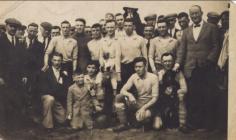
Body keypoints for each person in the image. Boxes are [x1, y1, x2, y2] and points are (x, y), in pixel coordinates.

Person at [175, 5, 220, 131]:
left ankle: (209, 125)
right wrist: (178, 64)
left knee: (208, 95)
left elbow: (216, 46)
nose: (194, 16)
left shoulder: (211, 28)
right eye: (192, 14)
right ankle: (193, 124)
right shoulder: (186, 31)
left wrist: (209, 61)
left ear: (201, 13)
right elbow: (182, 50)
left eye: (196, 13)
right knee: (193, 96)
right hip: (190, 68)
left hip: (206, 67)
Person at [113, 57, 160, 132]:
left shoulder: (153, 77)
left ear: (145, 66)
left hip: (149, 105)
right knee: (119, 97)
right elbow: (122, 90)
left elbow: (155, 98)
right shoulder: (134, 76)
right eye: (136, 67)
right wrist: (130, 95)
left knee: (156, 126)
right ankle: (124, 123)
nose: (137, 69)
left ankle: (152, 118)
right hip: (137, 103)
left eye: (140, 67)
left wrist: (143, 108)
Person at [0, 18, 27, 130]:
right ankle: (3, 127)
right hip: (4, 77)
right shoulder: (1, 40)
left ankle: (15, 126)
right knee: (4, 101)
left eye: (15, 27)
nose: (12, 29)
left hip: (17, 78)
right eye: (11, 26)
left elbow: (22, 60)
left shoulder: (19, 41)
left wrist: (24, 75)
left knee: (16, 100)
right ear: (6, 26)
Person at [39, 52, 70, 131]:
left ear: (61, 61)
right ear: (51, 60)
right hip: (47, 97)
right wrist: (58, 88)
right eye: (54, 60)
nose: (56, 63)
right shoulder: (45, 71)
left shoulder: (64, 73)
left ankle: (53, 117)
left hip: (58, 99)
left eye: (59, 60)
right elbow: (44, 89)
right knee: (50, 99)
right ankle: (48, 125)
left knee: (63, 120)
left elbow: (66, 88)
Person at [157, 53, 187, 131]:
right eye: (165, 61)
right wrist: (160, 81)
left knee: (181, 96)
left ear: (173, 61)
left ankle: (182, 124)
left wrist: (175, 90)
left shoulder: (178, 73)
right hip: (162, 100)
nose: (167, 63)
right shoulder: (159, 73)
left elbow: (185, 88)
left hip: (175, 99)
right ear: (161, 62)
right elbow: (155, 91)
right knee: (157, 126)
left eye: (170, 61)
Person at [118, 18, 147, 87]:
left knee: (138, 88)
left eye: (129, 26)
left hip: (137, 68)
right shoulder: (120, 40)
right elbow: (117, 57)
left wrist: (145, 70)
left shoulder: (140, 39)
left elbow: (145, 56)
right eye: (126, 26)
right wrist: (118, 73)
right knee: (125, 88)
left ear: (133, 27)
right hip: (125, 68)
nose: (127, 28)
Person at [99, 20, 121, 96]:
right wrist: (102, 64)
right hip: (105, 65)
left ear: (115, 27)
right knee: (104, 87)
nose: (110, 29)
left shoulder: (119, 39)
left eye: (112, 27)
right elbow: (101, 55)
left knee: (115, 86)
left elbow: (118, 56)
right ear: (105, 28)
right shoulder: (102, 40)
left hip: (115, 66)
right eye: (108, 27)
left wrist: (117, 71)